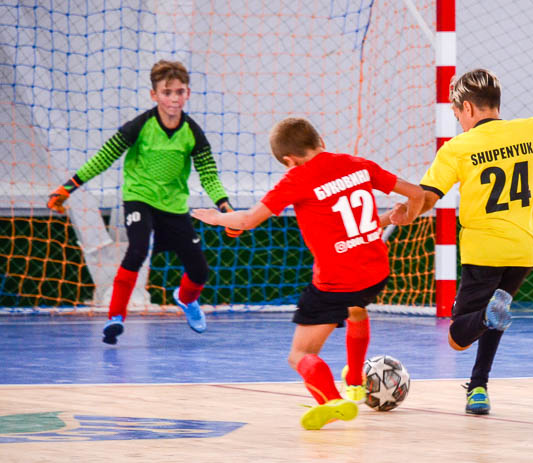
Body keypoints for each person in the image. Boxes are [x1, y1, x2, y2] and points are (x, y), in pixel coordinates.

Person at [388, 68, 533, 414]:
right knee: (496, 314)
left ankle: (484, 337)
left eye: (457, 114)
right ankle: (479, 388)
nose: (458, 121)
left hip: (484, 250)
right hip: (525, 249)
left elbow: (428, 197)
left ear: (468, 108)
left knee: (459, 334)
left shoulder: (459, 148)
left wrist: (408, 213)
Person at [192, 117, 424, 430]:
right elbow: (416, 194)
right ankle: (355, 382)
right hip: (375, 272)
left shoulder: (298, 178)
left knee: (299, 354)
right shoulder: (358, 164)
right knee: (357, 310)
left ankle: (331, 401)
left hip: (335, 283)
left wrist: (217, 219)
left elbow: (247, 220)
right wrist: (403, 217)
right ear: (320, 142)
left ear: (290, 160)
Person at [47, 60, 242, 345]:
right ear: (154, 95)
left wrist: (225, 208)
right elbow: (104, 157)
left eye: (179, 92)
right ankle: (115, 318)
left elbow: (208, 174)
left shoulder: (193, 133)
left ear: (187, 93)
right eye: (167, 92)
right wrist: (68, 187)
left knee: (200, 270)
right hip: (139, 198)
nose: (173, 98)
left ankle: (186, 300)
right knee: (137, 250)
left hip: (174, 206)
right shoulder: (140, 126)